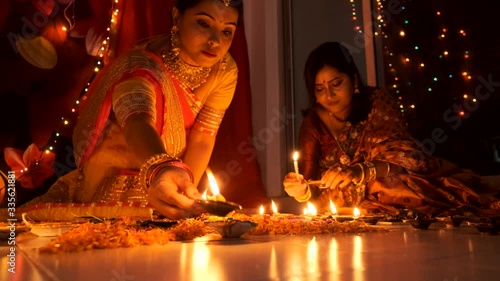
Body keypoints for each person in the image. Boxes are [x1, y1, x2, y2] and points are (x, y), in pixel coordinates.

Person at [22, 0, 244, 219]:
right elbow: (137, 121)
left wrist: (185, 191)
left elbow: (204, 136)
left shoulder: (224, 70)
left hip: (168, 178)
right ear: (177, 17)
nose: (215, 41)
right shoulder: (141, 66)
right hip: (115, 182)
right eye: (204, 24)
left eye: (227, 31)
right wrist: (162, 170)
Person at [283, 41, 500, 217]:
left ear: (354, 79)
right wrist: (300, 191)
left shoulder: (378, 103)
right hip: (342, 205)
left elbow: (408, 159)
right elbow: (310, 185)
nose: (328, 96)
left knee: (388, 184)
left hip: (390, 186)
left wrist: (361, 171)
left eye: (336, 84)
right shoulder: (313, 123)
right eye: (320, 89)